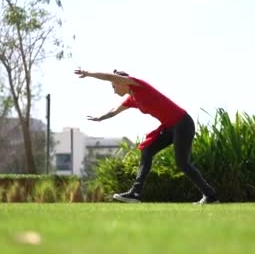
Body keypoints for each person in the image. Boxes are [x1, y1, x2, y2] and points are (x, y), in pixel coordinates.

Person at [74, 68, 219, 204]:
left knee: (182, 163)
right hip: (169, 127)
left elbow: (109, 76)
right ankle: (135, 193)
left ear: (121, 82)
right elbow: (114, 111)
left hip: (183, 123)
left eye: (114, 86)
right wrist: (100, 117)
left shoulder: (139, 85)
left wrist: (88, 73)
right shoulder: (131, 99)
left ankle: (210, 195)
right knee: (147, 150)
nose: (113, 90)